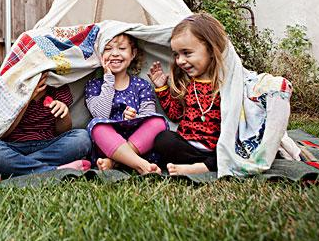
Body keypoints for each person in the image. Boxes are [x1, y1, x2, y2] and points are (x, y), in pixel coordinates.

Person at [148, 12, 227, 176]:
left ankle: (202, 167)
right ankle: (198, 165)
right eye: (176, 54)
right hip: (187, 146)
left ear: (211, 50)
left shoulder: (226, 85)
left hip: (216, 149)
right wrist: (162, 88)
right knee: (163, 139)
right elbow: (175, 114)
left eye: (187, 53)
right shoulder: (187, 85)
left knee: (232, 149)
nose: (180, 60)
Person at [0, 73, 92, 180]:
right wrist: (26, 100)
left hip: (48, 146)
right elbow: (5, 132)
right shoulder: (11, 90)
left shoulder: (59, 88)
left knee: (82, 138)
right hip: (13, 146)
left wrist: (64, 113)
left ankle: (11, 169)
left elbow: (62, 131)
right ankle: (55, 170)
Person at [85, 33, 167, 174]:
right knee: (96, 125)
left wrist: (135, 117)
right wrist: (108, 80)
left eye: (122, 48)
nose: (115, 54)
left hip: (138, 142)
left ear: (133, 53)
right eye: (108, 49)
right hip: (108, 145)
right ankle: (141, 165)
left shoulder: (142, 85)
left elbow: (148, 116)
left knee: (158, 121)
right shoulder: (93, 86)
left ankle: (117, 162)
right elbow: (100, 114)